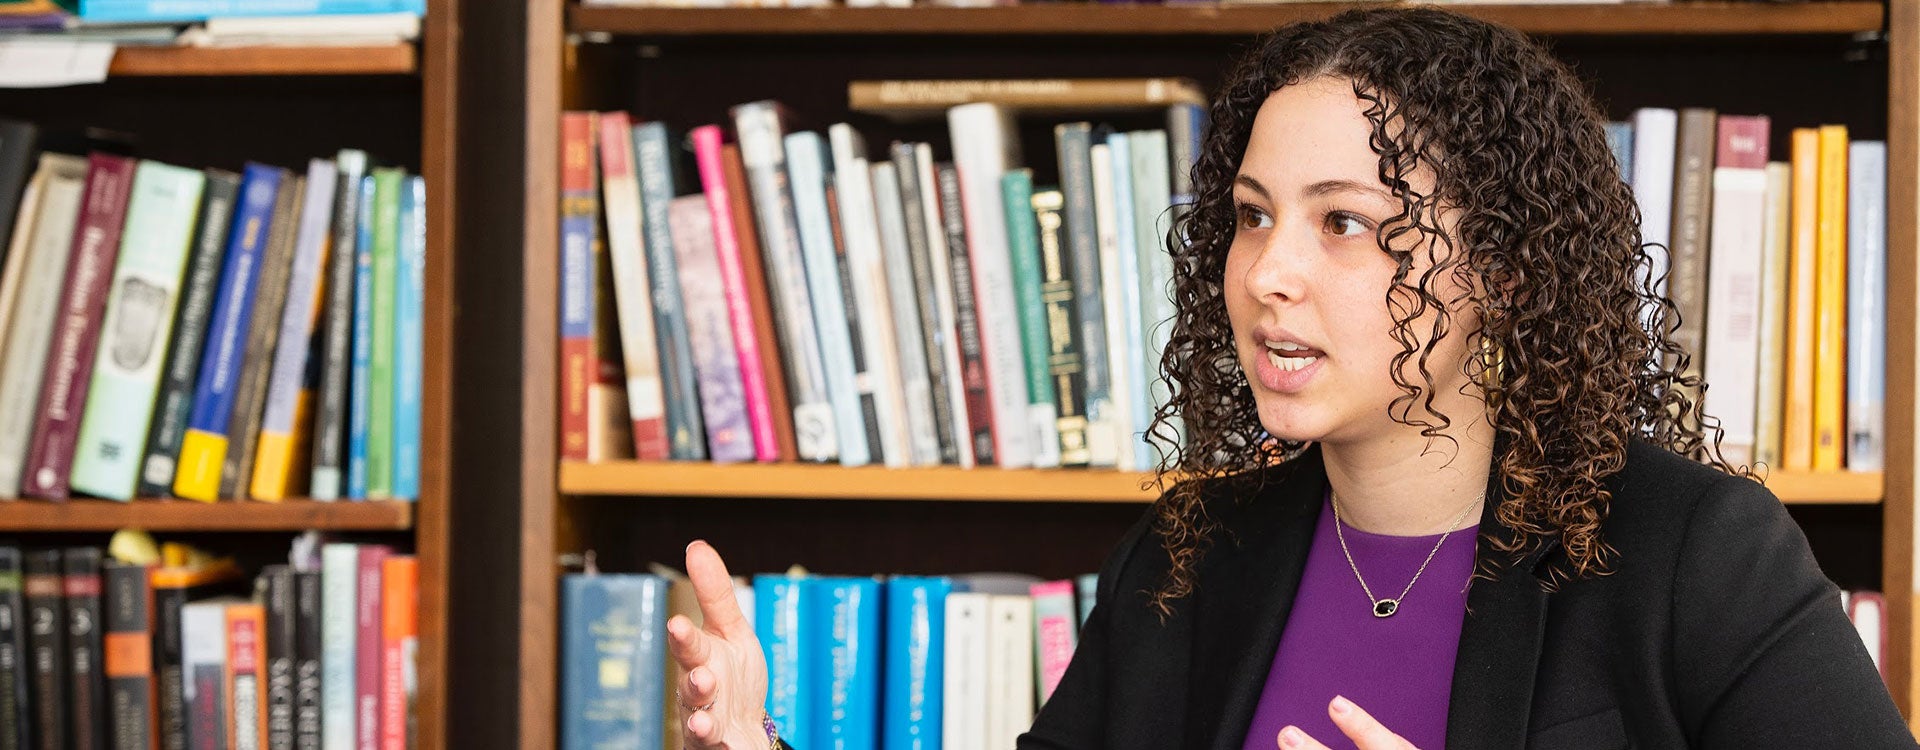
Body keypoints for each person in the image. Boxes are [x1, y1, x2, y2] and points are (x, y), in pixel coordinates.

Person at [663, 7, 1917, 749]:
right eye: (1253, 215)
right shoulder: (1196, 556)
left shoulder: (1696, 552)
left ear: (1512, 274)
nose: (1268, 272)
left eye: (1346, 223)